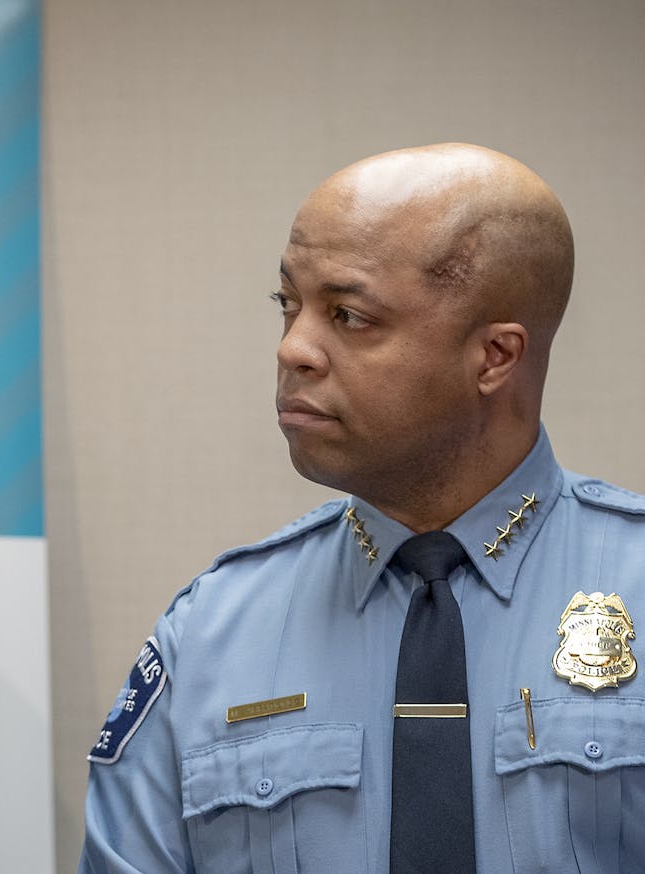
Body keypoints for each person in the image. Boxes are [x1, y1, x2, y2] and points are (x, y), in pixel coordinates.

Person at [79, 144, 645, 872]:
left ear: (495, 357)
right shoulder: (213, 633)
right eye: (289, 306)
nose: (294, 349)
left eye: (348, 315)